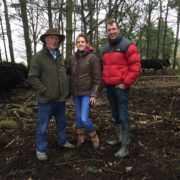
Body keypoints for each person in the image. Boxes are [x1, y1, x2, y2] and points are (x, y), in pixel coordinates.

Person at [28, 28, 74, 161]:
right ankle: (41, 149)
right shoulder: (38, 57)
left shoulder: (60, 57)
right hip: (46, 100)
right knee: (42, 126)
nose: (54, 41)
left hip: (60, 99)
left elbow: (64, 75)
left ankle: (63, 141)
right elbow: (32, 77)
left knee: (62, 123)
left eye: (56, 39)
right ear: (45, 40)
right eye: (51, 38)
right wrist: (44, 90)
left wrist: (66, 91)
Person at [101, 19, 141, 157]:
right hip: (110, 88)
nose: (111, 31)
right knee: (115, 115)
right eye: (109, 29)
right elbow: (104, 67)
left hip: (122, 88)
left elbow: (136, 67)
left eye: (114, 29)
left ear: (118, 29)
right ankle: (118, 138)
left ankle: (125, 147)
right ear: (106, 31)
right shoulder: (105, 48)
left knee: (123, 116)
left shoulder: (128, 45)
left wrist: (125, 83)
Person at [68, 33, 101, 149]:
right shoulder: (72, 58)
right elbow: (69, 75)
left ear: (86, 43)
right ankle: (81, 137)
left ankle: (94, 135)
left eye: (82, 41)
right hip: (76, 93)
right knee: (78, 117)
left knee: (83, 117)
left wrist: (94, 94)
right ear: (76, 44)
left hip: (87, 93)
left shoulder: (92, 58)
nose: (80, 44)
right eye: (78, 42)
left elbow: (97, 78)